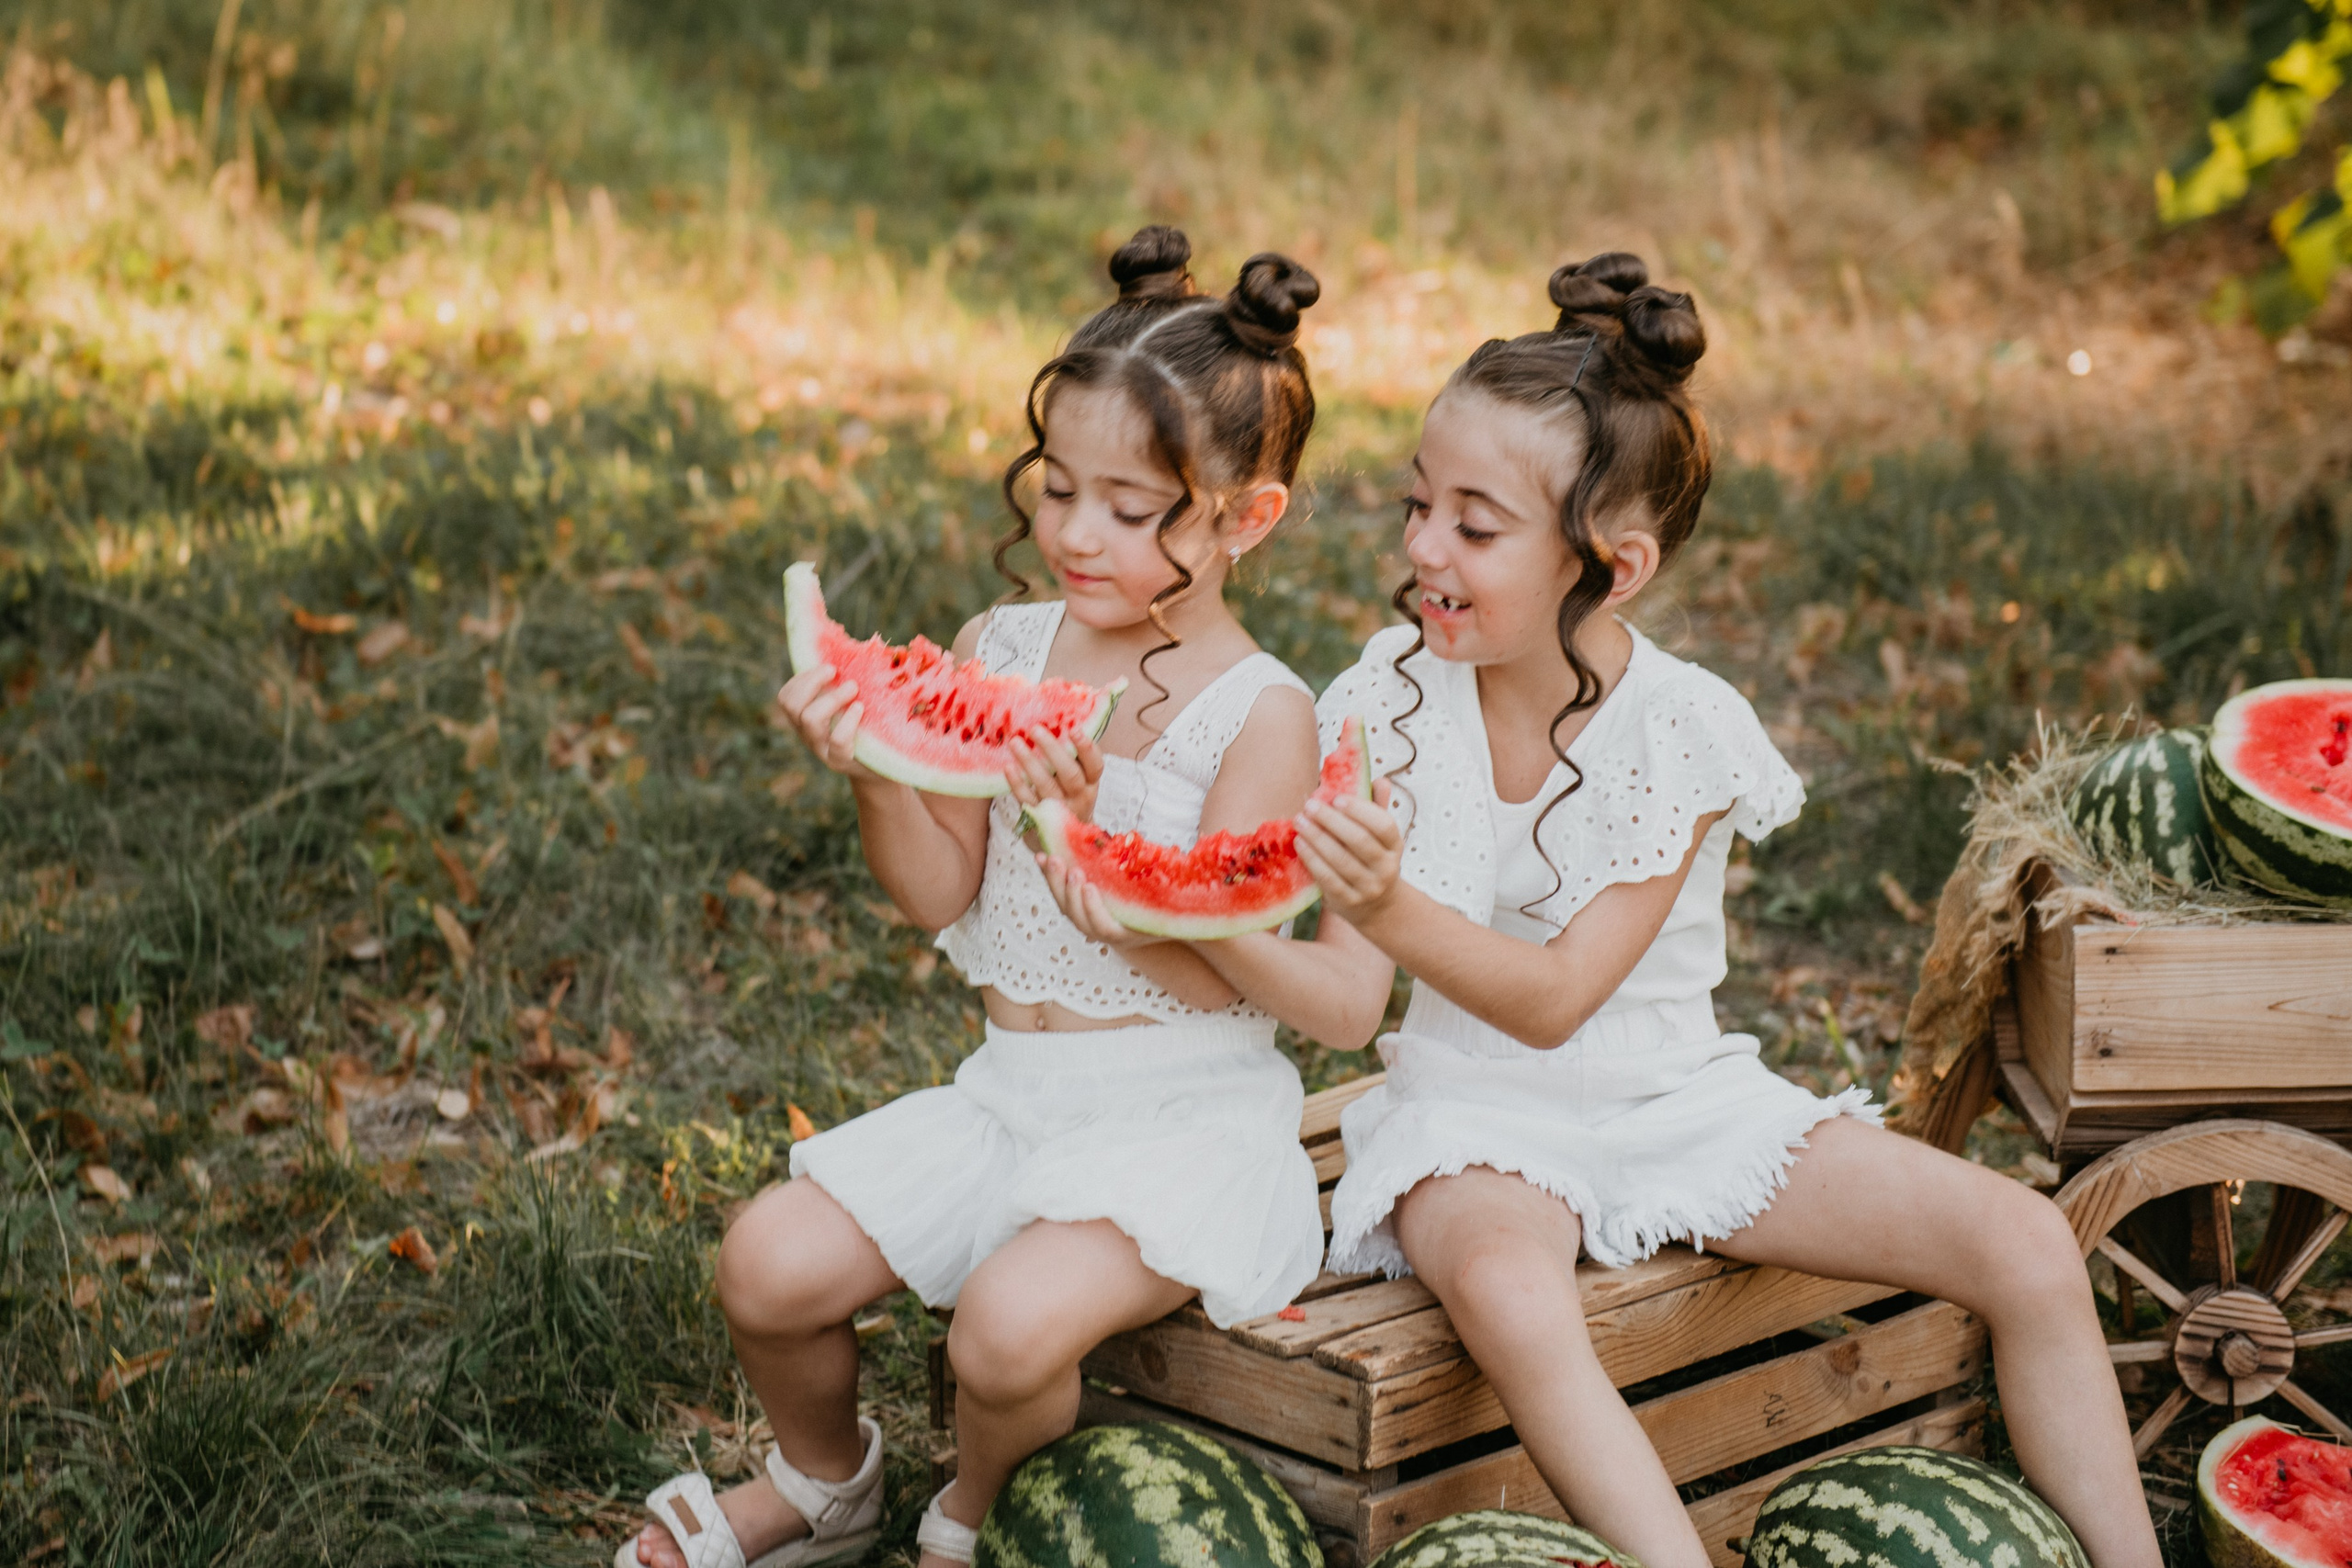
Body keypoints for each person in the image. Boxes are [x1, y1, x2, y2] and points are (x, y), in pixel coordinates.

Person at [1292, 254, 2162, 1568]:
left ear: (1615, 564)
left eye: (1475, 527)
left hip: (1673, 1097)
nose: (1422, 549)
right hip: (1471, 1112)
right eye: (1419, 505)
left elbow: (1560, 997)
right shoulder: (1386, 697)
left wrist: (1386, 903)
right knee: (1510, 1291)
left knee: (2027, 1241)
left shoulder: (1686, 731)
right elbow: (1367, 998)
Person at [617, 225, 1394, 1568]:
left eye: (1131, 507)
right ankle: (822, 1480)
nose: (1075, 533)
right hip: (1006, 1102)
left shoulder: (1260, 714)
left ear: (1242, 519)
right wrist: (872, 760)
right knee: (766, 1264)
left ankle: (972, 1516)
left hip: (1181, 1133)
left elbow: (1220, 976)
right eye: (1057, 487)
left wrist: (1095, 846)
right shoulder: (1001, 647)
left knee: (1005, 1332)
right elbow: (936, 895)